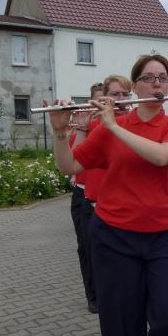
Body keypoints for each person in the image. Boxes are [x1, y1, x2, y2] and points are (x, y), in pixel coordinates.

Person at [46, 54, 168, 336]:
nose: (157, 84)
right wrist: (60, 132)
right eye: (149, 78)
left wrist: (112, 125)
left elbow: (163, 157)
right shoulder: (109, 128)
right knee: (123, 319)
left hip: (165, 236)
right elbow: (69, 166)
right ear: (135, 84)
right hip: (114, 237)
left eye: (163, 78)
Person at [68, 77, 134, 313]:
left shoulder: (126, 124)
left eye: (123, 96)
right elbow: (72, 162)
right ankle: (95, 297)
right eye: (98, 102)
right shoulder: (89, 128)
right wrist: (79, 128)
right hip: (88, 197)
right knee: (89, 251)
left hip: (119, 200)